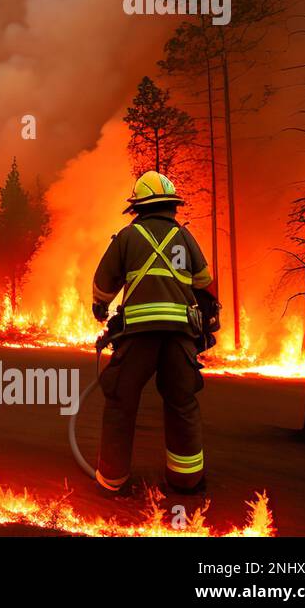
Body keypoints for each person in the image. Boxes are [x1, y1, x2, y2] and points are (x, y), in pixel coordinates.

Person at [90, 170, 218, 495]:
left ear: (138, 208)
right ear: (170, 206)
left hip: (140, 335)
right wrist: (206, 318)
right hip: (180, 336)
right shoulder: (185, 237)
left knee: (121, 399)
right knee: (181, 400)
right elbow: (205, 283)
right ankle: (186, 478)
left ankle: (112, 479)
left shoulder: (127, 237)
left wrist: (101, 308)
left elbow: (103, 285)